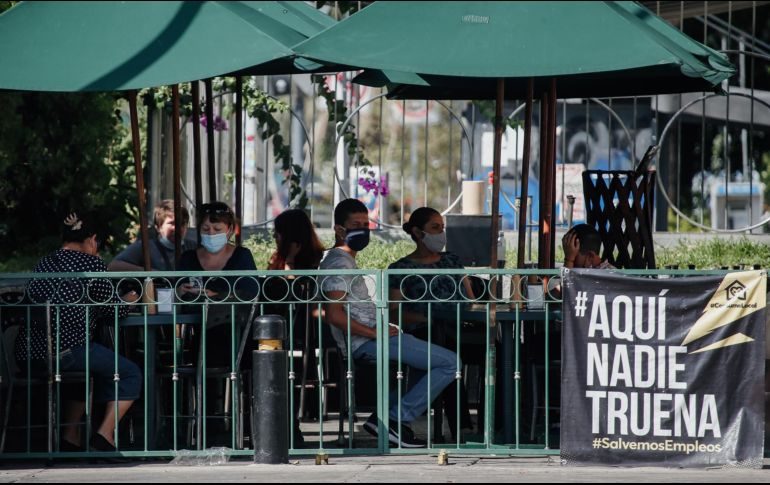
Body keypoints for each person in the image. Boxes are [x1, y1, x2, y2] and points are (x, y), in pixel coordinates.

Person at [319, 198, 457, 448]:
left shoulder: (345, 260)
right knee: (450, 363)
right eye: (355, 224)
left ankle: (386, 419)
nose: (363, 229)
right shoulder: (338, 263)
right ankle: (393, 419)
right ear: (340, 230)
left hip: (375, 337)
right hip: (365, 342)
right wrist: (375, 334)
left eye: (365, 223)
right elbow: (334, 315)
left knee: (427, 364)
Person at [14, 211, 141, 452]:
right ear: (92, 240)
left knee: (86, 370)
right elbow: (115, 311)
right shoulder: (91, 264)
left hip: (28, 356)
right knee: (129, 372)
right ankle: (105, 435)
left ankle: (70, 437)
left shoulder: (44, 263)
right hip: (66, 352)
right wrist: (129, 299)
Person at [387, 207, 477, 441]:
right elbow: (394, 314)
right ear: (418, 232)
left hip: (460, 327)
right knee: (442, 344)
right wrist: (427, 317)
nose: (441, 233)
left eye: (442, 227)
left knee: (494, 348)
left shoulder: (452, 260)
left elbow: (470, 299)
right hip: (426, 331)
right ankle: (461, 427)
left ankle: (490, 424)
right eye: (435, 228)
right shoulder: (400, 269)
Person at [108, 200, 191, 272]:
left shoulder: (193, 247)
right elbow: (113, 266)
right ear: (158, 227)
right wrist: (148, 272)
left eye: (182, 223)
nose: (178, 228)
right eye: (172, 223)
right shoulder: (145, 247)